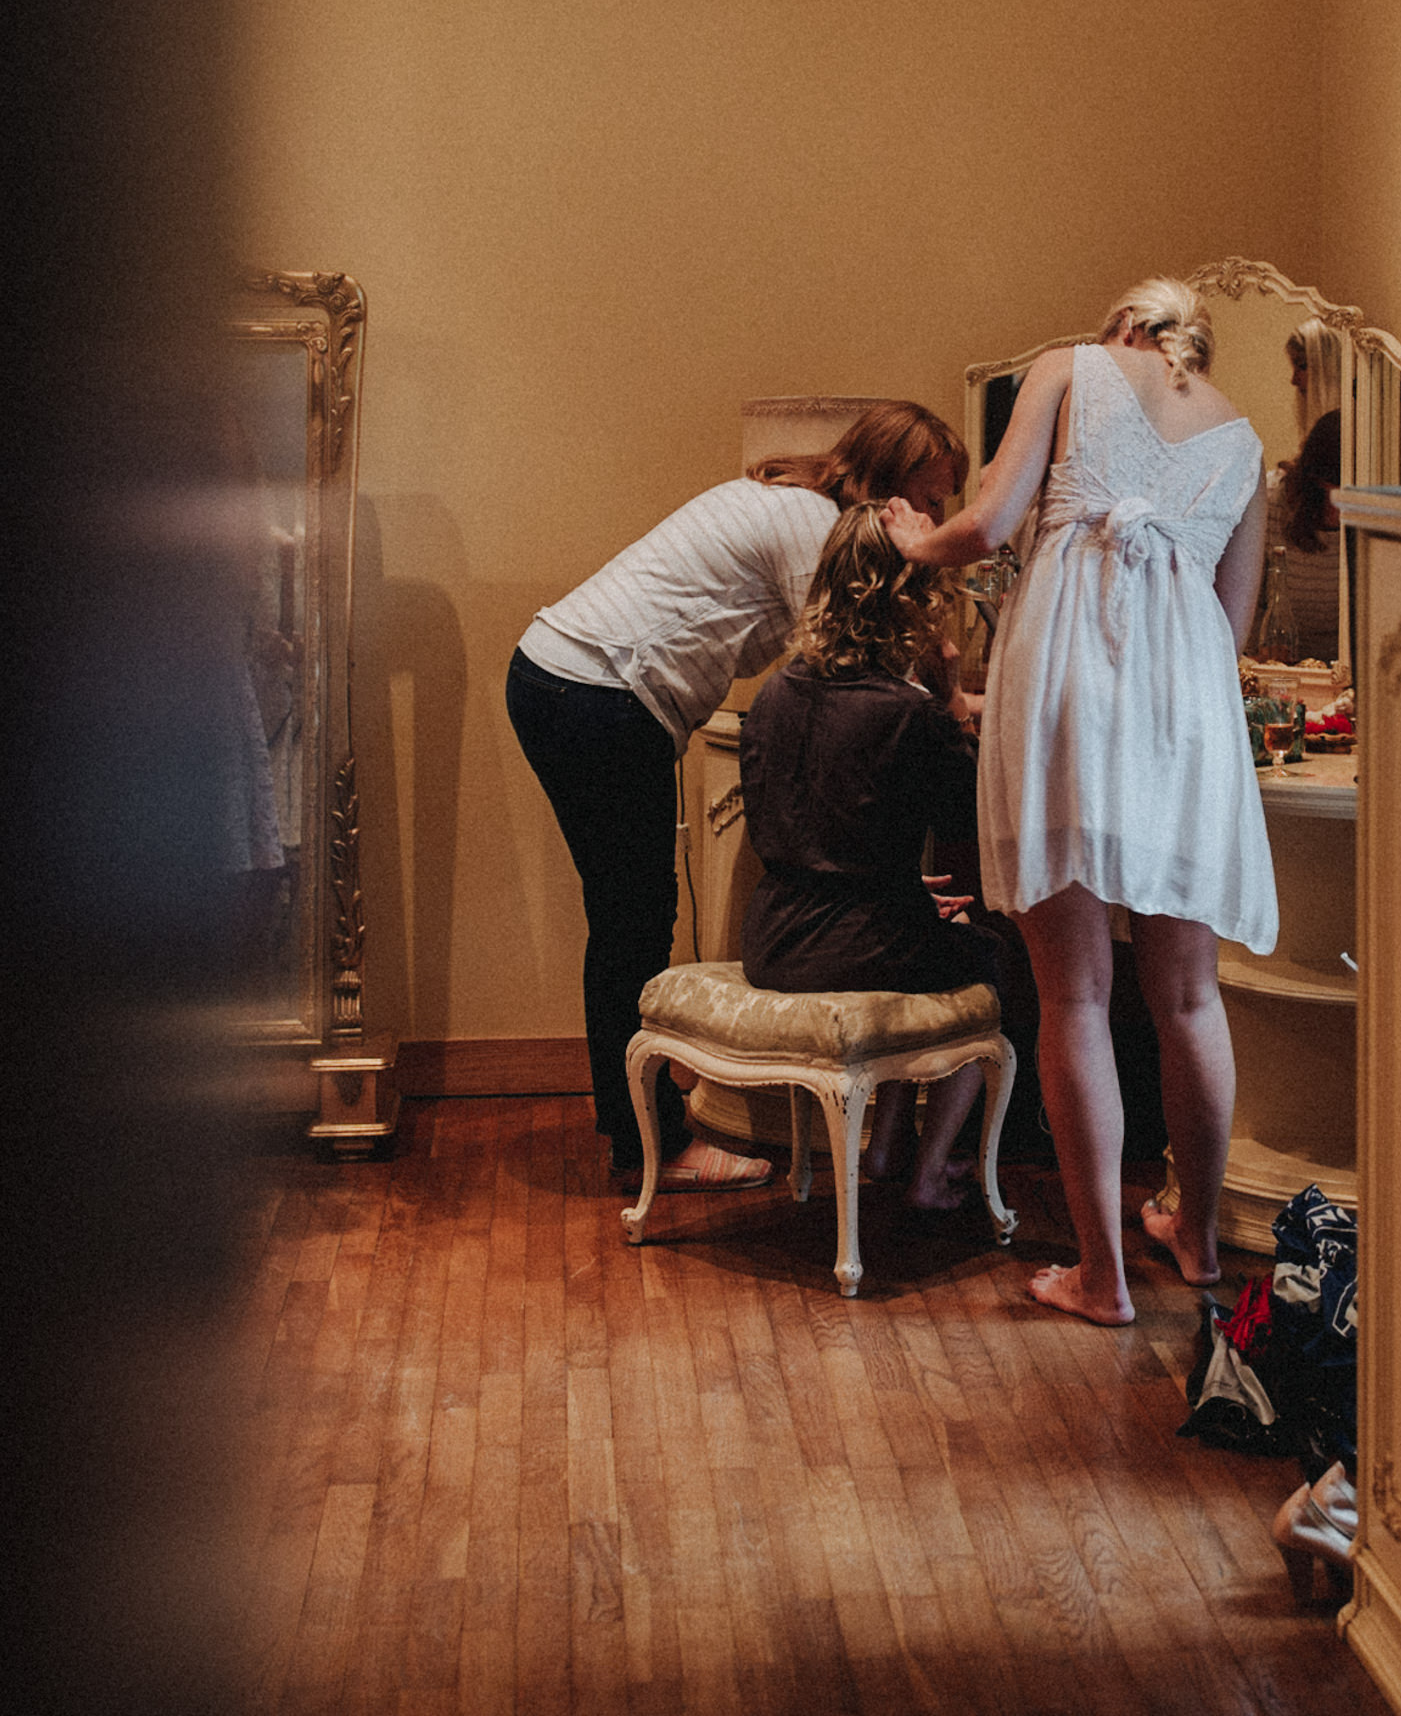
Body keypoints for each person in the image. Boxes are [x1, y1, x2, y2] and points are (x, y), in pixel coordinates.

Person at [885, 276, 1277, 1324]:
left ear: (1123, 329)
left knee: (1074, 993)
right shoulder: (1243, 444)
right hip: (1181, 703)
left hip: (1068, 689)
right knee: (1188, 993)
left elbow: (990, 520)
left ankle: (1099, 1274)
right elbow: (1230, 630)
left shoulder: (1067, 366)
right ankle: (1192, 1232)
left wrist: (911, 540)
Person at [507, 401, 970, 1190]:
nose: (934, 519)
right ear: (889, 487)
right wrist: (952, 696)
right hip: (601, 691)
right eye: (928, 499)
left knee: (624, 918)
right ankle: (645, 1142)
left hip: (562, 674)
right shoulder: (811, 525)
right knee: (631, 922)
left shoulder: (794, 507)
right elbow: (852, 655)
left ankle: (636, 1118)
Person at [738, 503, 1000, 1211]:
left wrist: (903, 894)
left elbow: (808, 830)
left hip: (772, 937)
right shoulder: (907, 711)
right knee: (991, 963)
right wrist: (949, 701)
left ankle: (885, 1149)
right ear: (912, 604)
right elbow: (967, 817)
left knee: (931, 938)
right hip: (859, 941)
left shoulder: (772, 694)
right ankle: (928, 1171)